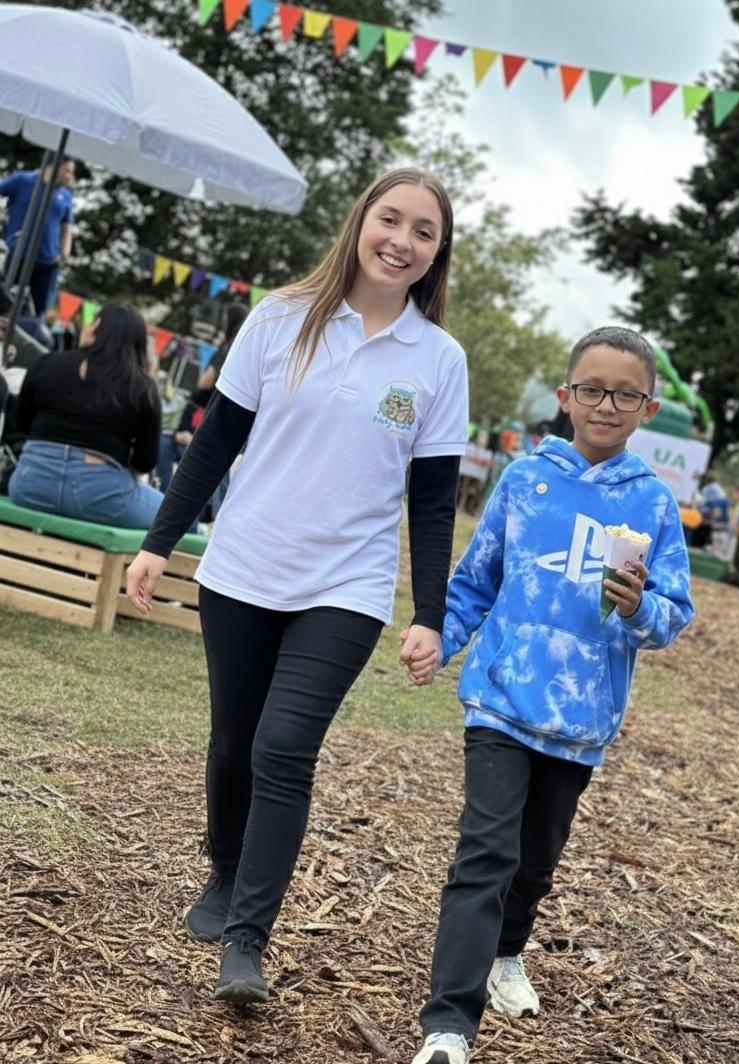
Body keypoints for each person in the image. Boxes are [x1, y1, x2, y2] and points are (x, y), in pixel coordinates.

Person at [124, 168, 469, 1005]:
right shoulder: (279, 318)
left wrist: (429, 613)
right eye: (391, 219)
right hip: (243, 566)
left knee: (284, 748)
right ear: (361, 223)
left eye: (424, 232)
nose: (403, 240)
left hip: (344, 587)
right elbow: (213, 445)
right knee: (234, 742)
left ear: (436, 253)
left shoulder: (439, 360)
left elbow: (431, 500)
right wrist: (158, 543)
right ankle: (224, 871)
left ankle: (247, 938)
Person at [405, 326, 694, 1064]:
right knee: (485, 854)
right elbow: (477, 578)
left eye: (625, 394)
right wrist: (440, 634)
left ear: (647, 407)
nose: (606, 404)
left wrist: (638, 609)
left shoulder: (655, 506)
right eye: (591, 389)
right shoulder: (525, 481)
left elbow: (673, 616)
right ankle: (448, 1026)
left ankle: (507, 954)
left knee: (535, 862)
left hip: (581, 717)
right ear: (566, 397)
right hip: (501, 698)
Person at [8, 304, 163, 526]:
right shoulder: (141, 387)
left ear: (95, 326)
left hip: (30, 483)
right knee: (181, 519)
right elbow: (145, 461)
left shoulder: (48, 363)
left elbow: (22, 422)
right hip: (100, 496)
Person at [0, 159, 75, 316]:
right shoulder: (23, 180)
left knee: (38, 311)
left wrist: (64, 254)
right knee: (4, 302)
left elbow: (67, 227)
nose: (70, 176)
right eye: (67, 171)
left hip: (47, 261)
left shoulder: (66, 196)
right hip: (17, 254)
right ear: (53, 166)